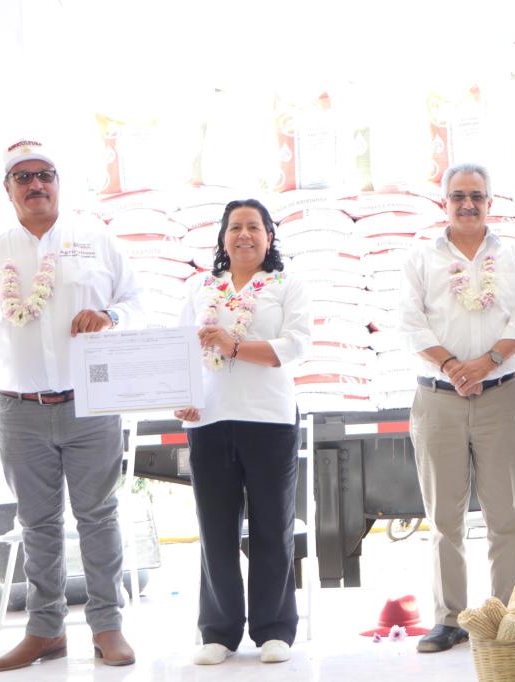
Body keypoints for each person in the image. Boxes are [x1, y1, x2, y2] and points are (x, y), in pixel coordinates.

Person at [0, 140, 141, 672]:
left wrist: (109, 316)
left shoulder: (96, 240)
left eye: (45, 174)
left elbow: (135, 301)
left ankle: (108, 627)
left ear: (59, 181)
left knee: (99, 517)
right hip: (20, 409)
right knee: (36, 523)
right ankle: (46, 632)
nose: (36, 184)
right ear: (8, 189)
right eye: (23, 177)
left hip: (91, 402)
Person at [399, 162, 515, 653]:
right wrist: (455, 366)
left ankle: (505, 614)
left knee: (507, 515)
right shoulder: (420, 258)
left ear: (490, 202)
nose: (467, 204)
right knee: (444, 517)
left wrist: (487, 362)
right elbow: (412, 323)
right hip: (438, 399)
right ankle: (450, 618)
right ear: (444, 202)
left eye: (476, 196)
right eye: (458, 195)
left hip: (500, 394)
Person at [175, 198, 310, 665]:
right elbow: (182, 350)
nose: (244, 235)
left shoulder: (285, 285)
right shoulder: (200, 287)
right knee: (215, 529)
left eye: (254, 227)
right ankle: (218, 630)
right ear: (223, 237)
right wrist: (183, 396)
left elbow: (293, 345)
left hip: (269, 418)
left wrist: (234, 346)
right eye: (235, 227)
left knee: (272, 526)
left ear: (269, 237)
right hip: (210, 420)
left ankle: (274, 630)